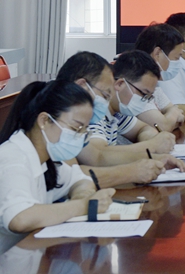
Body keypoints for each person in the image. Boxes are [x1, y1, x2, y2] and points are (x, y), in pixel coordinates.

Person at [0, 81, 114, 236]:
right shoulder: (13, 158)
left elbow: (80, 180)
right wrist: (83, 206)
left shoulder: (45, 159)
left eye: (84, 130)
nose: (80, 136)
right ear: (44, 121)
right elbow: (19, 219)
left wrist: (81, 195)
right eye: (76, 128)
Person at [57, 51, 185, 188]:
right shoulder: (70, 117)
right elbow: (96, 159)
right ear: (82, 86)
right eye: (105, 94)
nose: (108, 99)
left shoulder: (104, 114)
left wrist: (155, 157)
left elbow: (87, 163)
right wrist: (146, 155)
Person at [132, 23, 185, 131]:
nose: (179, 64)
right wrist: (169, 118)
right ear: (157, 53)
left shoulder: (154, 84)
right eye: (176, 58)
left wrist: (169, 117)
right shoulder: (135, 83)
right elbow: (163, 127)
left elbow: (178, 114)